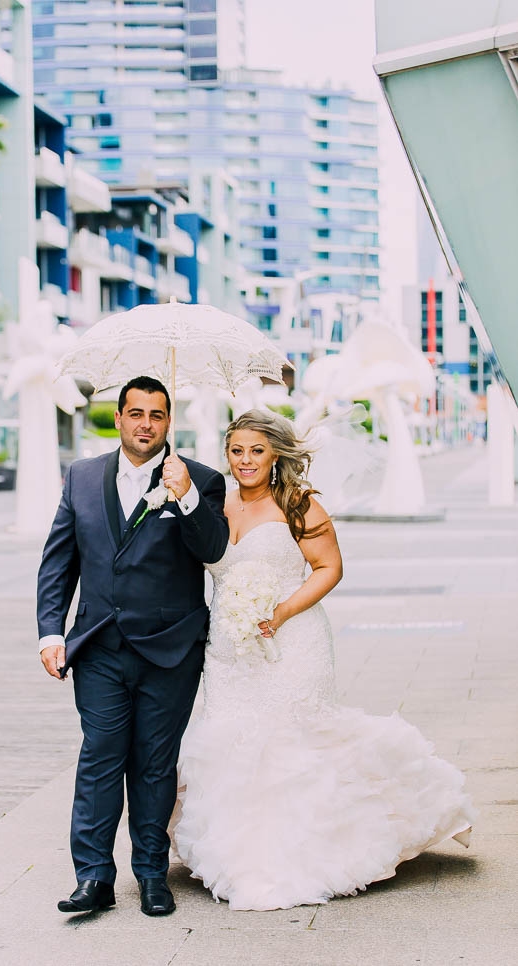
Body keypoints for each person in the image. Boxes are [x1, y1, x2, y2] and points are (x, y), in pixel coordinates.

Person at [172, 409, 475, 912]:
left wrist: (282, 611)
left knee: (293, 742)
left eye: (257, 451)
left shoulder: (298, 503)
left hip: (293, 641)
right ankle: (242, 854)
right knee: (233, 745)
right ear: (226, 454)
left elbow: (329, 567)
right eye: (237, 450)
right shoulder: (216, 504)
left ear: (275, 455)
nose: (246, 460)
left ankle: (302, 854)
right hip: (229, 653)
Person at [37, 375, 228, 917]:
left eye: (157, 415)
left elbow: (214, 549)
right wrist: (52, 632)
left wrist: (187, 495)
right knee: (99, 758)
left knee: (153, 764)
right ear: (118, 418)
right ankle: (93, 876)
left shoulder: (203, 480)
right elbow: (59, 561)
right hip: (98, 645)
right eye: (136, 413)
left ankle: (150, 872)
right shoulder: (80, 477)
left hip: (170, 649)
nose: (146, 424)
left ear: (170, 422)